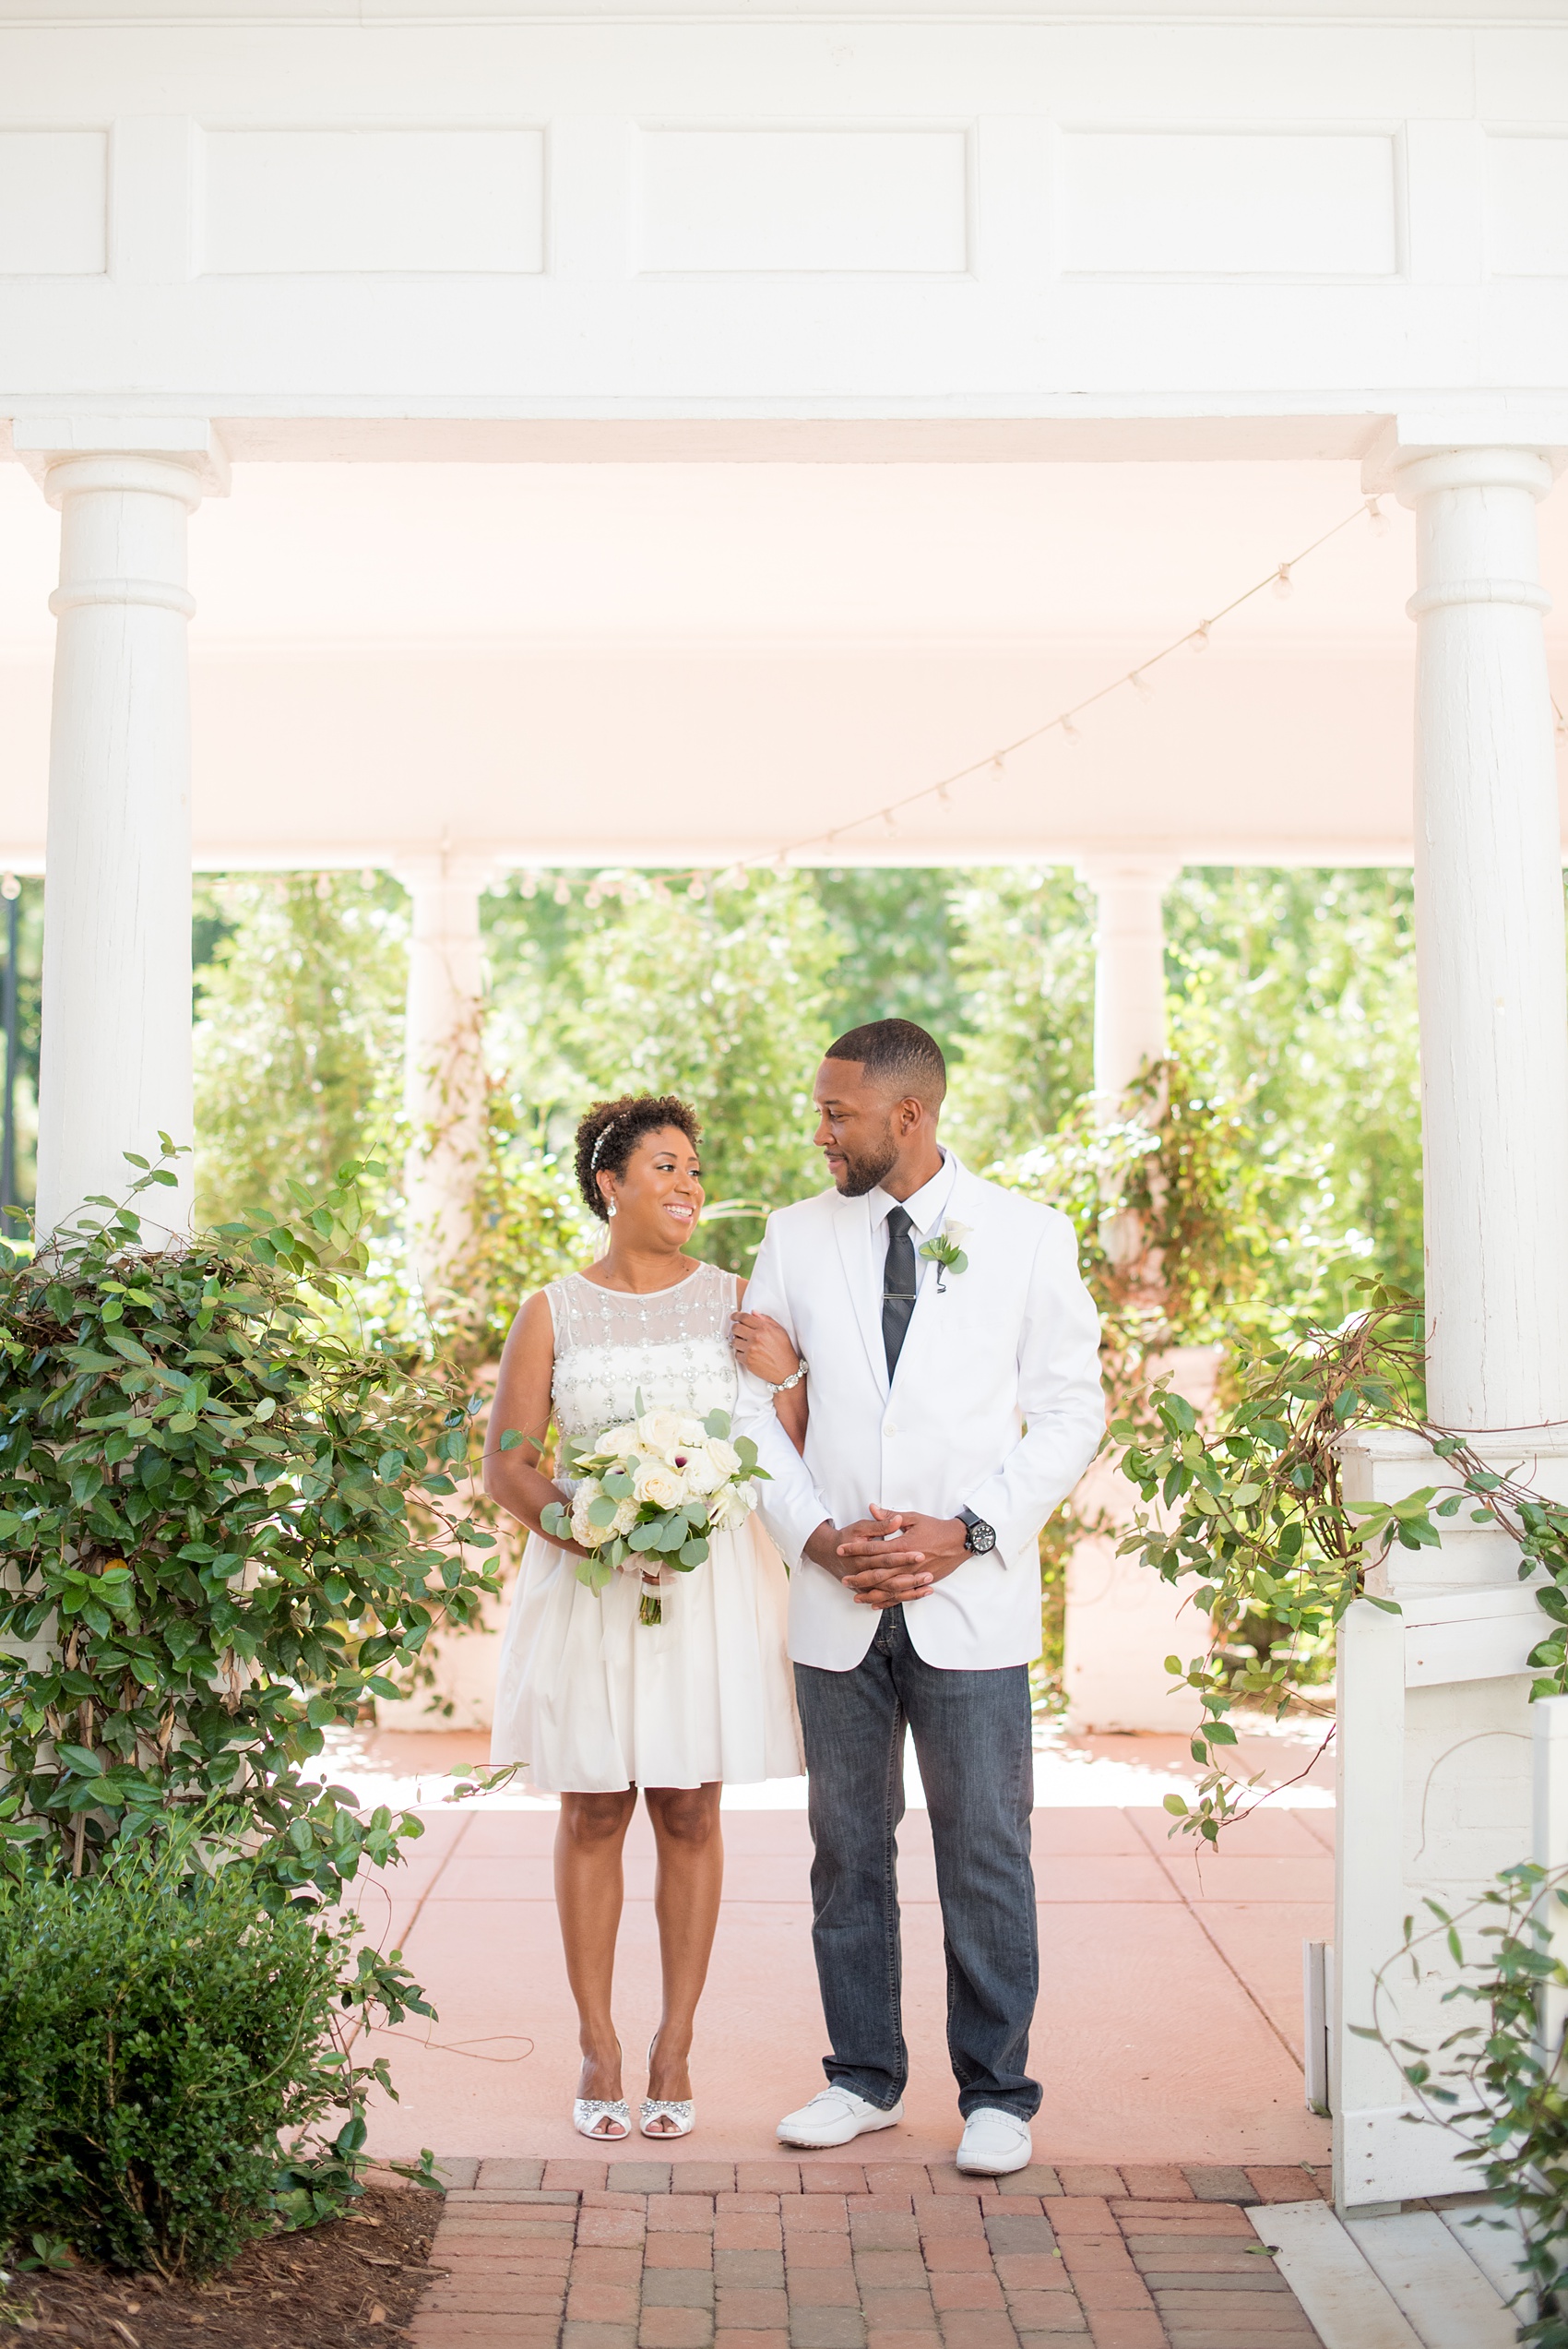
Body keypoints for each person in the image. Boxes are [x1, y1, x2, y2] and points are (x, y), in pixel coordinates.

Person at [731, 1019, 1104, 2177]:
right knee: (845, 1849)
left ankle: (997, 2092)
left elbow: (1069, 1410)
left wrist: (966, 1531)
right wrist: (818, 1535)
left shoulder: (1031, 1236)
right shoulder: (792, 1237)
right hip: (836, 1596)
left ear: (908, 1115)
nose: (819, 1131)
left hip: (970, 1597)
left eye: (836, 1112)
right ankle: (861, 2076)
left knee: (985, 1848)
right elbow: (746, 1410)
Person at [485, 1093, 804, 2144]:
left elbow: (783, 1439)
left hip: (703, 1586)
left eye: (694, 1167)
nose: (687, 1184)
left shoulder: (735, 1301)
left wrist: (784, 1373)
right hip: (588, 1583)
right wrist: (572, 1520)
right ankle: (597, 2040)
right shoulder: (552, 1310)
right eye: (663, 1165)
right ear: (608, 1182)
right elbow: (508, 1462)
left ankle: (674, 2042)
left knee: (688, 1807)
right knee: (590, 1810)